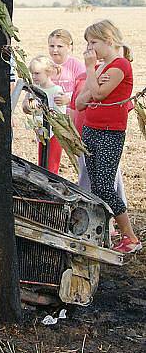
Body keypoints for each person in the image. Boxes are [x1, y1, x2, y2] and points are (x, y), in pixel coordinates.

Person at [75, 20, 141, 253]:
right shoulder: (103, 67)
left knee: (104, 185)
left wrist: (91, 71)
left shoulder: (119, 65)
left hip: (109, 133)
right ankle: (105, 232)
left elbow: (99, 94)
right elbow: (80, 102)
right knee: (95, 185)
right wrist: (93, 85)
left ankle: (131, 237)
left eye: (93, 43)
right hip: (91, 129)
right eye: (87, 43)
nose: (89, 49)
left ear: (109, 41)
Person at [22, 56, 65, 174]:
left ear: (48, 72)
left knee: (51, 166)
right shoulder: (34, 89)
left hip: (54, 134)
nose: (34, 77)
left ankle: (50, 187)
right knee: (42, 164)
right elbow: (25, 107)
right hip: (41, 132)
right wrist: (28, 106)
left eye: (37, 73)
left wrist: (44, 110)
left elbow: (60, 115)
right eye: (32, 74)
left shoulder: (56, 90)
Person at [48, 29, 86, 115]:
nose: (55, 50)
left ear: (69, 47)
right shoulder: (44, 65)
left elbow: (84, 91)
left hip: (70, 116)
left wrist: (69, 99)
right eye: (51, 46)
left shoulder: (77, 66)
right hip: (49, 115)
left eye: (59, 46)